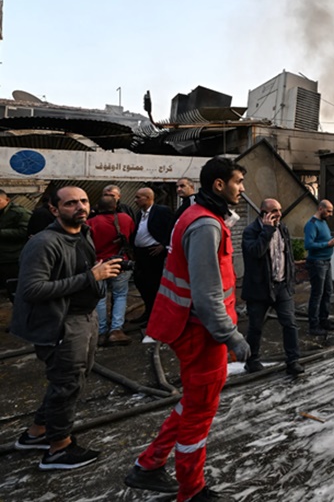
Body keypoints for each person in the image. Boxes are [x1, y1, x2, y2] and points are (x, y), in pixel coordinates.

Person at [124, 156, 251, 502]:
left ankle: (148, 465)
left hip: (190, 327)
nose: (242, 188)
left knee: (193, 401)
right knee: (199, 413)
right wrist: (233, 337)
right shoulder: (205, 225)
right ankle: (192, 490)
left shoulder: (195, 216)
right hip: (200, 332)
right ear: (219, 185)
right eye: (238, 181)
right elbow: (209, 295)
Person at [10, 186, 122, 470]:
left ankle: (38, 432)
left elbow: (77, 272)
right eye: (71, 203)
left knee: (72, 379)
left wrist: (97, 270)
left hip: (84, 318)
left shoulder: (83, 233)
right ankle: (59, 448)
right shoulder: (44, 243)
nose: (80, 207)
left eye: (83, 201)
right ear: (54, 209)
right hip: (61, 324)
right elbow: (32, 289)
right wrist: (90, 276)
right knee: (67, 384)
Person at [241, 198, 304, 376]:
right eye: (275, 210)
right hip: (259, 288)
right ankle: (252, 360)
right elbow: (255, 252)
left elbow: (288, 255)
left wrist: (290, 280)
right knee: (255, 327)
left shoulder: (282, 228)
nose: (279, 214)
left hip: (281, 285)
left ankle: (293, 361)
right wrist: (267, 231)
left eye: (280, 210)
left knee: (290, 324)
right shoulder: (250, 231)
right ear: (263, 212)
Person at [87, 195, 136, 347]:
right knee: (120, 295)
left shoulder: (90, 223)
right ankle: (116, 330)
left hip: (99, 264)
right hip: (121, 263)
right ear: (116, 206)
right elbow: (132, 236)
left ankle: (101, 332)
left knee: (100, 298)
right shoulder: (126, 219)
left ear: (97, 207)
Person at [131, 187, 175, 328]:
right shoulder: (139, 214)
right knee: (140, 281)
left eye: (139, 197)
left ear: (148, 198)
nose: (135, 200)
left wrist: (163, 244)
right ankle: (148, 311)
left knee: (153, 284)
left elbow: (172, 228)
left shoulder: (161, 211)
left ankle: (155, 316)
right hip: (140, 254)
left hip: (154, 254)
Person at [304, 199, 334, 336]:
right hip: (317, 263)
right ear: (320, 209)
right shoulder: (311, 224)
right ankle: (314, 325)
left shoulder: (323, 223)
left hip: (326, 262)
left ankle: (324, 320)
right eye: (329, 211)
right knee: (317, 294)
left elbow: (323, 239)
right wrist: (327, 244)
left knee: (328, 292)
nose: (331, 214)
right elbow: (308, 245)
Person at [0, 189, 31, 297]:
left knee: (14, 288)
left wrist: (2, 233)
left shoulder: (19, 213)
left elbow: (26, 231)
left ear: (7, 199)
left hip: (13, 257)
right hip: (2, 256)